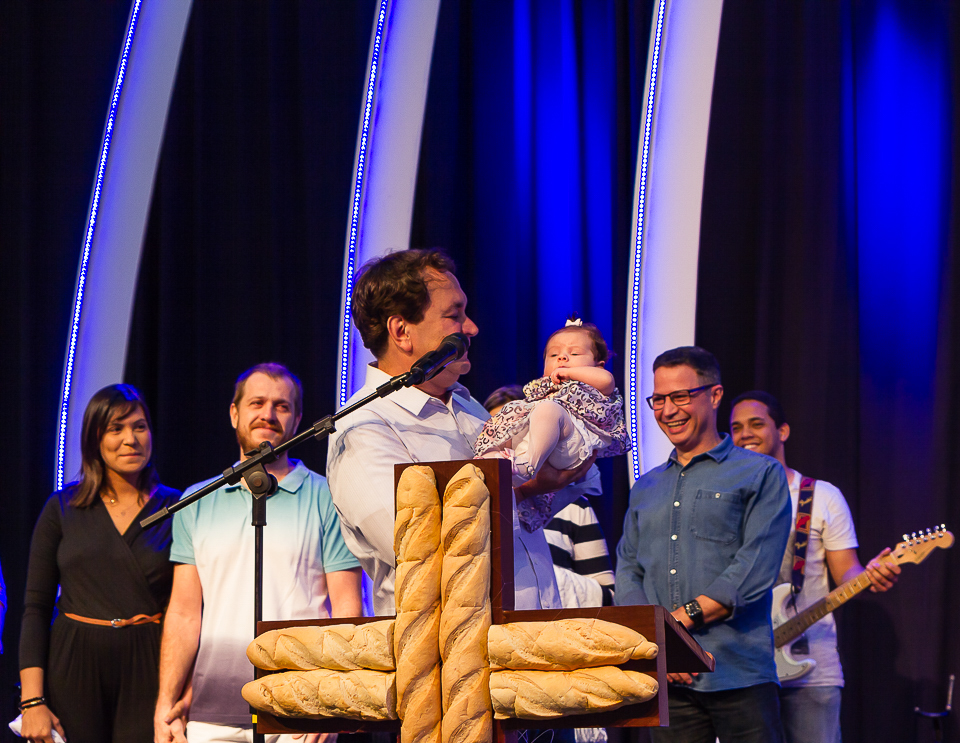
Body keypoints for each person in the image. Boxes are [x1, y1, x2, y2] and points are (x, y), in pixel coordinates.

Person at [327, 249, 600, 616]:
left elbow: (533, 512)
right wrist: (531, 488)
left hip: (529, 641)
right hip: (450, 660)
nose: (471, 328)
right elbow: (419, 548)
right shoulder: (364, 431)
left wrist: (573, 448)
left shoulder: (468, 406)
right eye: (454, 315)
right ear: (401, 332)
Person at [154, 363, 362, 743]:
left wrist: (334, 697)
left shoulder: (328, 497)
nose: (268, 414)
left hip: (301, 705)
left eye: (282, 406)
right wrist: (165, 702)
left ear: (298, 418)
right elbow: (184, 612)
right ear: (235, 413)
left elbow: (346, 607)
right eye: (257, 403)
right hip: (211, 709)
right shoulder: (195, 501)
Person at [614, 346, 791, 743]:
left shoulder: (760, 473)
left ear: (713, 395)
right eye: (658, 399)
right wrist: (658, 643)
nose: (668, 410)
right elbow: (629, 568)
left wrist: (674, 629)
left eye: (681, 396)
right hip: (668, 680)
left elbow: (753, 568)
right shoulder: (647, 486)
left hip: (738, 673)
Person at [729, 390, 899, 743]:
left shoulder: (821, 496)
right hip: (741, 668)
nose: (745, 434)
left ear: (783, 431)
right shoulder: (726, 501)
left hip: (812, 671)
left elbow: (847, 573)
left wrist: (871, 574)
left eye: (756, 424)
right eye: (736, 427)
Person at [19, 384, 180, 743]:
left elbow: (185, 608)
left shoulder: (177, 507)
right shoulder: (62, 507)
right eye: (116, 428)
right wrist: (32, 701)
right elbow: (35, 607)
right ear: (94, 438)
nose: (130, 439)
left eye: (139, 427)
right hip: (73, 662)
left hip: (148, 664)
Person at [482, 385, 615, 609]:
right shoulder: (483, 505)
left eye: (518, 431)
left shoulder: (573, 506)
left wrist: (547, 578)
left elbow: (606, 595)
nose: (508, 441)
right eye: (499, 431)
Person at [475, 318, 629, 489]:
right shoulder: (544, 389)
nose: (562, 357)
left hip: (573, 442)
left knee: (548, 409)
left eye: (575, 353)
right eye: (553, 355)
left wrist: (570, 373)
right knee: (512, 416)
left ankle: (528, 466)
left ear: (598, 366)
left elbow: (607, 380)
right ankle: (495, 459)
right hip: (545, 441)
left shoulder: (596, 382)